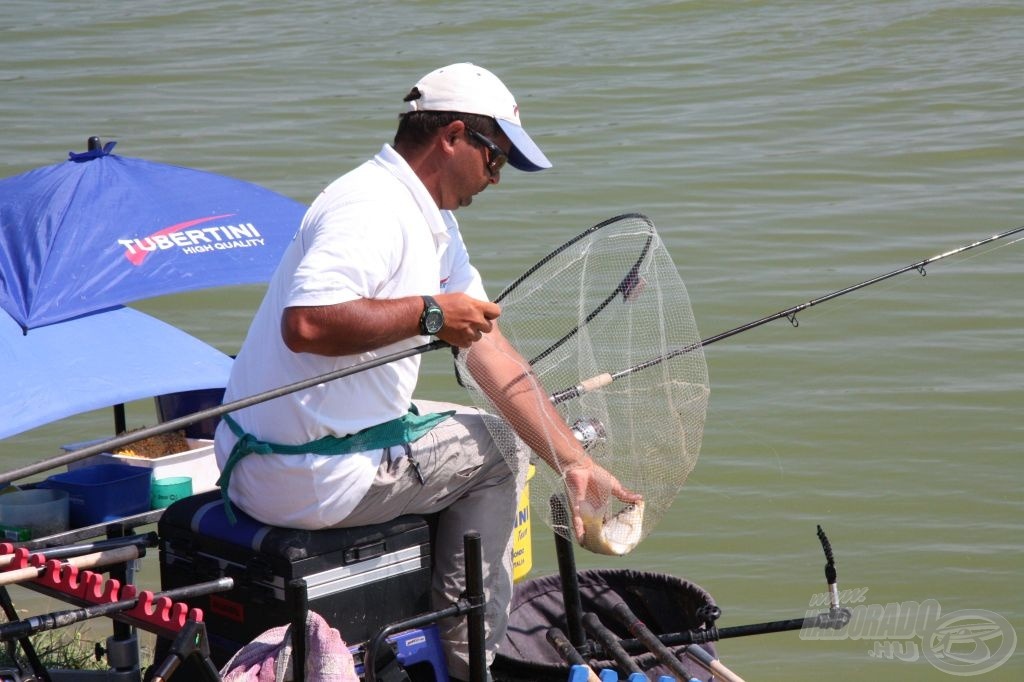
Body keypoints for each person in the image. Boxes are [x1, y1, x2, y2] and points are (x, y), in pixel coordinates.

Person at [213, 62, 639, 680]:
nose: (496, 179)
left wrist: (574, 461)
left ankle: (434, 624)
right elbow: (306, 323)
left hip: (264, 455)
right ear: (453, 136)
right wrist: (433, 315)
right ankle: (473, 663)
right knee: (498, 449)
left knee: (484, 423)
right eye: (495, 160)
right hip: (308, 474)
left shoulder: (430, 222)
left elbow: (491, 351)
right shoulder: (371, 207)